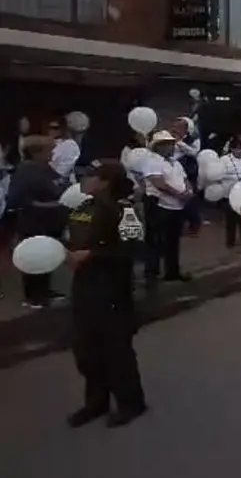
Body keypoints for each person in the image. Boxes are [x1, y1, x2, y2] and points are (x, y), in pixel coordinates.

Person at [65, 159, 147, 428]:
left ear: (105, 181)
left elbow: (133, 249)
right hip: (83, 287)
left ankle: (131, 403)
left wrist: (93, 254)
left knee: (116, 350)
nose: (85, 180)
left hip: (112, 290)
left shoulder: (123, 210)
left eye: (91, 176)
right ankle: (95, 402)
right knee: (85, 349)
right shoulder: (83, 206)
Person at [7, 135, 68, 308]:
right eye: (49, 150)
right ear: (36, 153)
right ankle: (33, 297)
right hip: (33, 222)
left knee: (46, 256)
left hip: (49, 222)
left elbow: (58, 186)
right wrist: (46, 205)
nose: (53, 154)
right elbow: (16, 199)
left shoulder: (45, 169)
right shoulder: (25, 171)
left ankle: (45, 291)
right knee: (34, 257)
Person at [141, 131, 193, 285]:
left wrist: (188, 191)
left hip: (176, 206)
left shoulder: (175, 162)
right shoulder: (152, 161)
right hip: (158, 204)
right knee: (155, 240)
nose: (171, 147)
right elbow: (158, 183)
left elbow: (185, 179)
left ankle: (172, 271)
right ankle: (151, 274)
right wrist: (179, 194)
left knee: (173, 240)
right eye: (167, 144)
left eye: (171, 143)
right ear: (158, 146)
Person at [218, 136, 241, 248]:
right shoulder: (224, 160)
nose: (238, 151)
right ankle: (230, 241)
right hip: (229, 194)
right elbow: (219, 175)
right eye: (236, 148)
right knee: (231, 219)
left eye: (240, 148)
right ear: (231, 149)